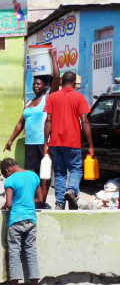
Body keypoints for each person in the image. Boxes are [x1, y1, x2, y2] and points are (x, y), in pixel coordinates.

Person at [4, 48, 60, 207]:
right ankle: (36, 199)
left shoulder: (48, 98)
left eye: (38, 83)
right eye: (34, 83)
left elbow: (56, 78)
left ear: (45, 86)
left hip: (43, 142)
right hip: (30, 143)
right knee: (32, 174)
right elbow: (20, 123)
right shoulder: (29, 103)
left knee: (44, 172)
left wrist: (54, 57)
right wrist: (10, 140)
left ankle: (42, 200)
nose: (35, 86)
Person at [43, 71, 94, 210]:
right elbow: (85, 122)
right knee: (76, 170)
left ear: (61, 82)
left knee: (59, 173)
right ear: (74, 83)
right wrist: (90, 145)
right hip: (72, 142)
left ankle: (59, 203)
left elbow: (48, 120)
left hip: (55, 142)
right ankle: (71, 191)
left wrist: (46, 143)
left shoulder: (52, 97)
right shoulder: (79, 97)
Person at [0, 158, 44, 285]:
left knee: (14, 253)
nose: (7, 176)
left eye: (6, 174)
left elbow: (9, 203)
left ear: (7, 169)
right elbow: (40, 199)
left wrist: (6, 205)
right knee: (31, 252)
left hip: (16, 220)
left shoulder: (11, 180)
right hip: (31, 220)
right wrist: (27, 201)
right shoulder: (33, 176)